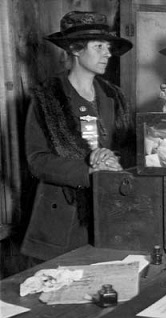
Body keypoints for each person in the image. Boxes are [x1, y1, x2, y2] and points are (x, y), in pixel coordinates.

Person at [21, 11, 134, 261]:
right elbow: (37, 160)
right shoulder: (47, 98)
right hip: (65, 216)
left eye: (108, 46)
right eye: (98, 46)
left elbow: (128, 147)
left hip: (111, 208)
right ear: (75, 48)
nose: (107, 53)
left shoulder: (114, 96)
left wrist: (111, 160)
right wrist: (89, 172)